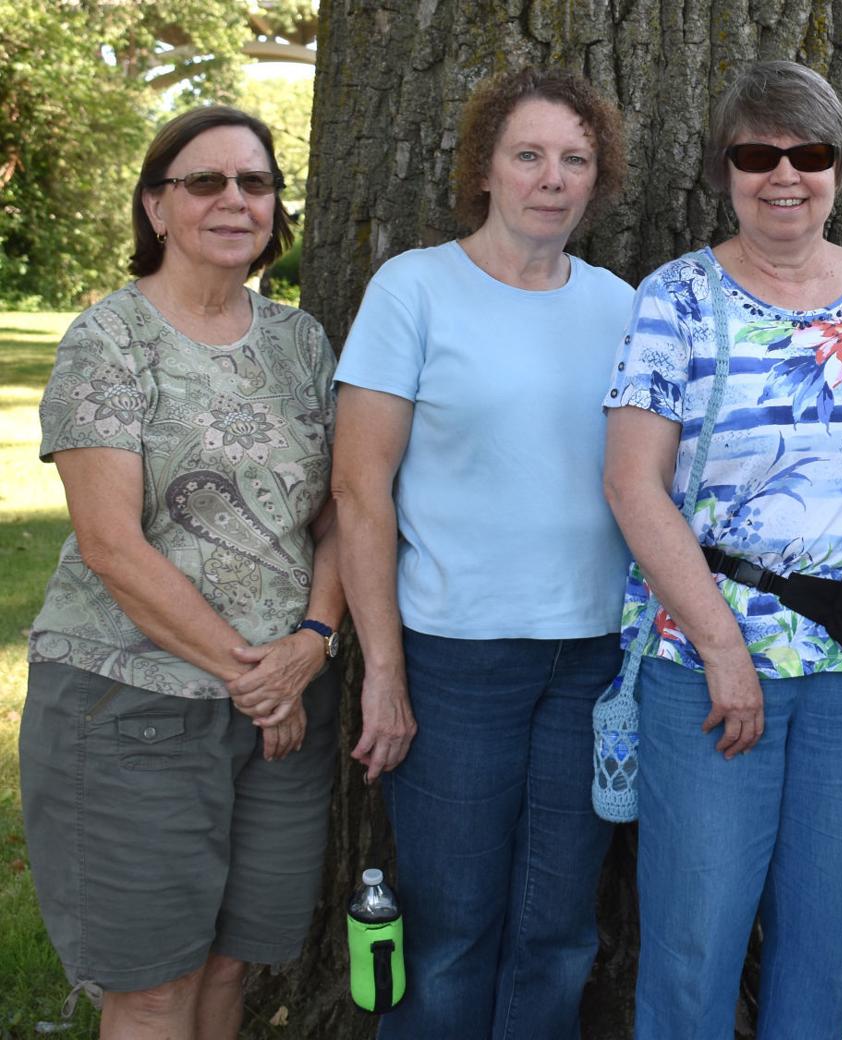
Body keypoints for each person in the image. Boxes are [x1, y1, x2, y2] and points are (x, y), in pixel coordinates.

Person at [602, 60, 842, 1038]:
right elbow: (630, 482)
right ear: (723, 171)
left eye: (807, 153)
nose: (784, 174)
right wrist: (723, 646)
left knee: (822, 944)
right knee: (696, 942)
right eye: (756, 154)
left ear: (840, 168)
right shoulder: (676, 298)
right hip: (704, 667)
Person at [20, 105, 341, 1039]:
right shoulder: (108, 341)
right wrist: (258, 675)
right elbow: (114, 546)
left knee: (233, 965)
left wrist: (313, 644)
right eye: (206, 181)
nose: (235, 200)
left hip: (283, 709)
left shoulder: (301, 342)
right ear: (157, 207)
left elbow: (338, 515)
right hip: (131, 704)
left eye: (256, 182)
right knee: (154, 986)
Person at [330, 67, 633, 1038]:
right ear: (486, 170)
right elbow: (357, 492)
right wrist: (384, 672)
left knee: (557, 932)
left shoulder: (622, 306)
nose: (552, 177)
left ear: (597, 178)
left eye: (574, 159)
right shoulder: (415, 290)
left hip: (592, 659)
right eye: (529, 155)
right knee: (452, 928)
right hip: (455, 661)